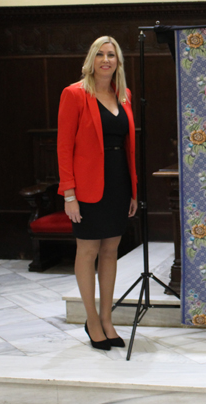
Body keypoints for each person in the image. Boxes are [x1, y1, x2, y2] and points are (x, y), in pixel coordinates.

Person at [57, 36, 138, 351]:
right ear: (91, 59)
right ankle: (91, 320)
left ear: (118, 62)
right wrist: (69, 194)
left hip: (118, 183)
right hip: (87, 186)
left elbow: (128, 146)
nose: (106, 60)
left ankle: (107, 318)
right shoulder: (74, 94)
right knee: (88, 250)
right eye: (100, 54)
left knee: (110, 251)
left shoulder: (124, 95)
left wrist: (132, 190)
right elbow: (64, 147)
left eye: (112, 55)